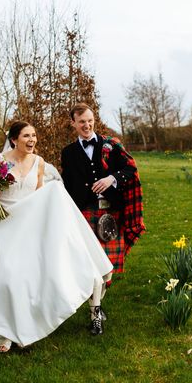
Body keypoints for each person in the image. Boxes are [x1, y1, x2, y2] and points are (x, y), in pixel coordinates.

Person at [0, 121, 113, 352]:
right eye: (26, 136)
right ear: (14, 139)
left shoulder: (40, 163)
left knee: (26, 275)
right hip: (3, 222)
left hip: (27, 223)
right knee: (4, 276)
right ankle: (0, 332)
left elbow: (38, 195)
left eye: (34, 136)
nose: (32, 140)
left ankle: (24, 324)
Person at [60, 103, 145, 336]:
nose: (86, 125)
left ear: (93, 119)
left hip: (112, 213)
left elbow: (131, 170)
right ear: (73, 124)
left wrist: (112, 179)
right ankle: (95, 313)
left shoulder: (111, 145)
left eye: (89, 121)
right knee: (92, 266)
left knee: (107, 269)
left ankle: (96, 303)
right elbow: (68, 185)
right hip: (86, 213)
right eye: (81, 122)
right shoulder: (68, 153)